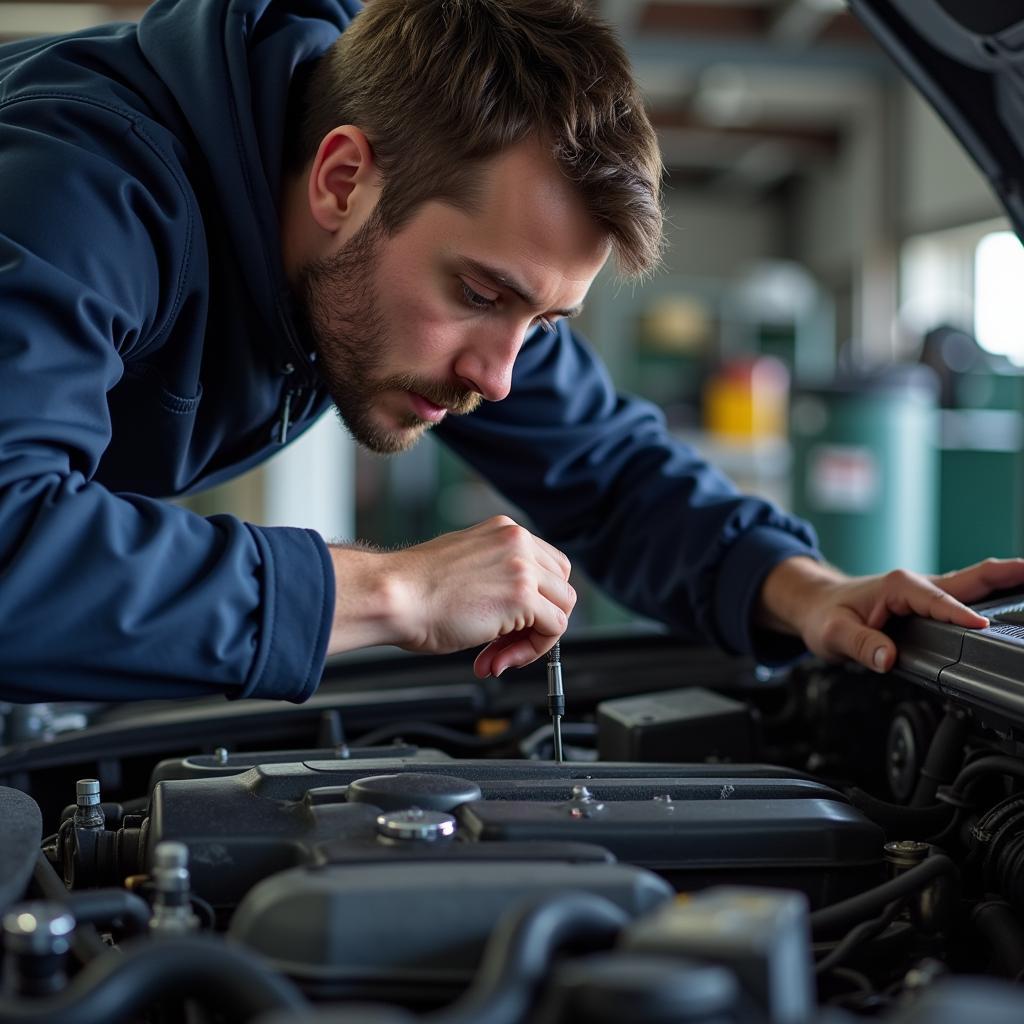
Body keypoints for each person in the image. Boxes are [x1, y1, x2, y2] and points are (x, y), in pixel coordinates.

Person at [0, 0, 1020, 704]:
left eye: (541, 323)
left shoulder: (407, 235)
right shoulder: (78, 188)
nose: (498, 375)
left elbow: (611, 472)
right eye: (480, 294)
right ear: (342, 179)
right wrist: (393, 592)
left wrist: (810, 591)